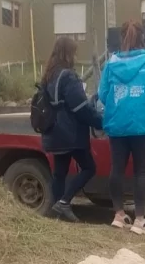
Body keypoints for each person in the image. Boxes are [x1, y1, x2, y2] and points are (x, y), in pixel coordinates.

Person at [98, 20, 145, 235]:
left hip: (117, 125)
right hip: (143, 125)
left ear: (122, 38)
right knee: (141, 172)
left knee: (117, 169)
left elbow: (102, 95)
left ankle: (119, 215)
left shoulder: (111, 63)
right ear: (142, 37)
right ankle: (139, 221)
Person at [41, 36, 103, 222]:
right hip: (71, 133)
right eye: (74, 52)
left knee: (59, 173)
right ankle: (64, 202)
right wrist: (99, 121)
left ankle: (57, 212)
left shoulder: (49, 75)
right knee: (89, 167)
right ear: (68, 53)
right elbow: (80, 107)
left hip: (53, 131)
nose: (76, 56)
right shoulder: (68, 76)